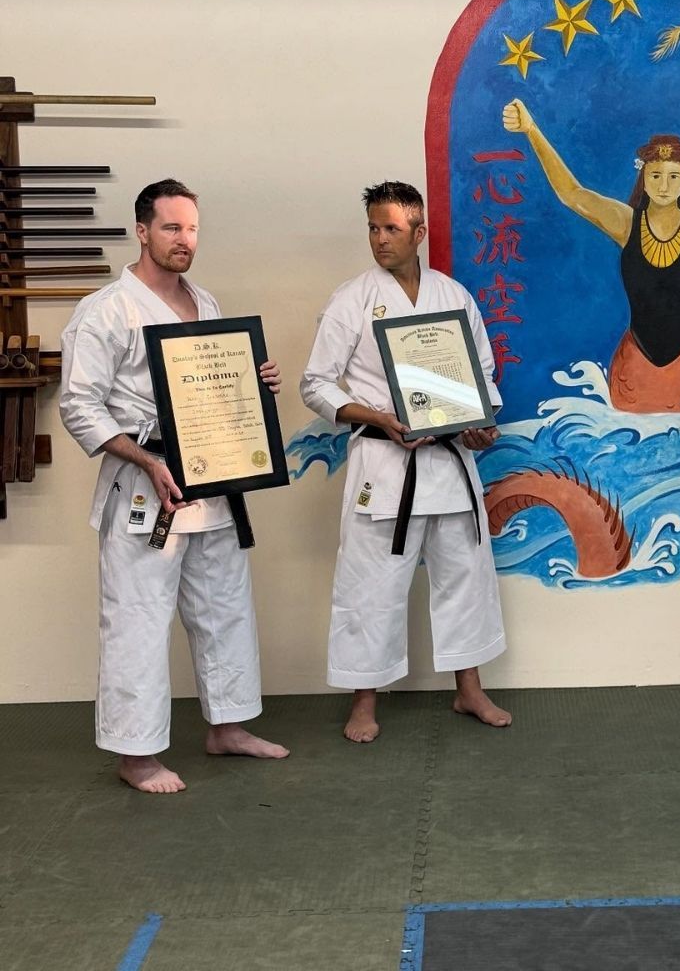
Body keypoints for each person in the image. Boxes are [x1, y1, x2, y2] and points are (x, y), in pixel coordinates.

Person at [60, 178, 289, 793]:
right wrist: (144, 460)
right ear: (142, 231)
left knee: (225, 605)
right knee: (137, 616)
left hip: (211, 478)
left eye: (191, 229)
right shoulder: (107, 310)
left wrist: (253, 381)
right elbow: (79, 405)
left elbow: (213, 389)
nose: (184, 240)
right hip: (147, 483)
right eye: (171, 228)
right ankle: (136, 755)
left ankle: (228, 726)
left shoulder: (205, 302)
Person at [300, 180, 511, 743]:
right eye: (373, 228)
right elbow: (315, 384)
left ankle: (469, 689)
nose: (379, 239)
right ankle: (364, 701)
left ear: (420, 232)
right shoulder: (351, 299)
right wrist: (376, 417)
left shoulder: (453, 296)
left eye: (391, 228)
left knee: (465, 575)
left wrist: (481, 423)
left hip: (449, 460)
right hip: (385, 463)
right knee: (371, 584)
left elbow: (482, 375)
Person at [502, 98, 680, 413]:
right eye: (655, 175)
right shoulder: (626, 224)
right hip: (634, 365)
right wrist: (531, 130)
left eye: (673, 176)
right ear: (644, 179)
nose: (664, 185)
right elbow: (572, 194)